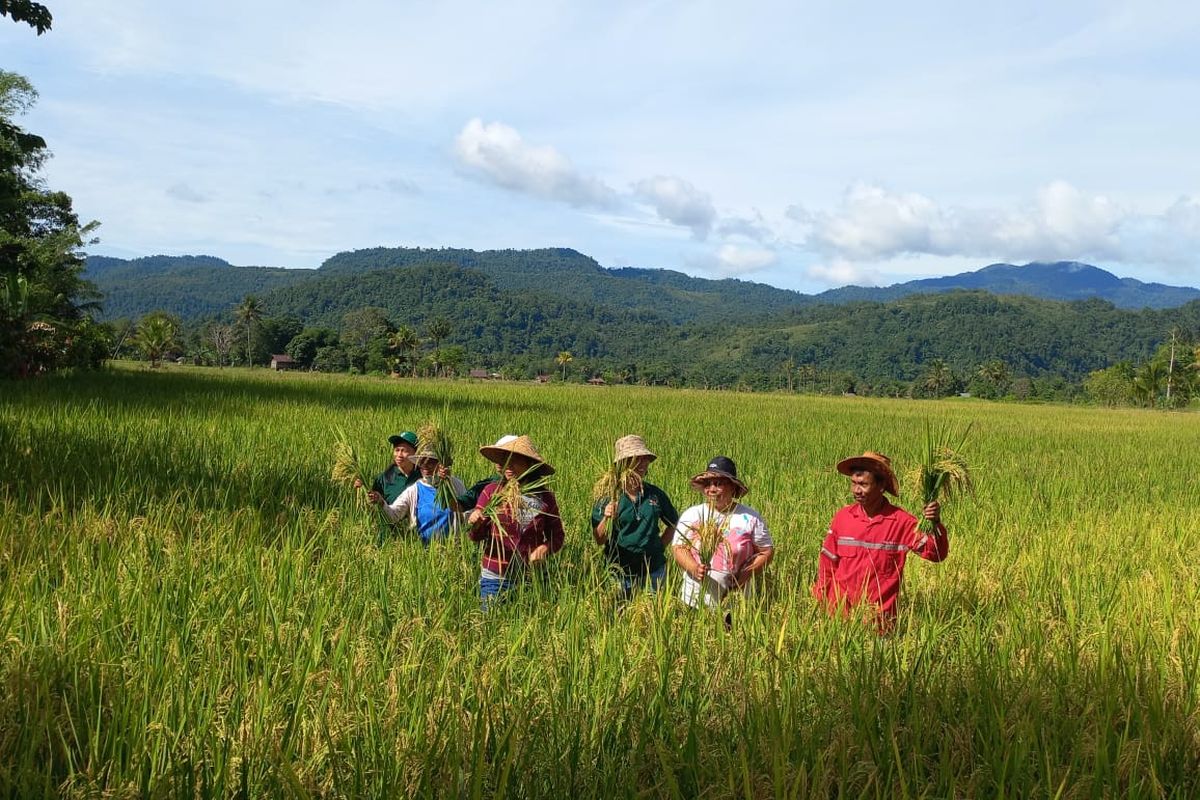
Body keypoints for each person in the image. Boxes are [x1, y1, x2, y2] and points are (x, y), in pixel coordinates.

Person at [811, 451, 948, 630]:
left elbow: (936, 554)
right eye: (853, 483)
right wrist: (820, 600)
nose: (856, 490)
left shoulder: (902, 522)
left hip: (879, 624)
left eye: (863, 484)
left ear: (881, 485)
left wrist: (935, 523)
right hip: (839, 619)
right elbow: (827, 563)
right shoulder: (843, 518)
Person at [467, 435, 564, 609]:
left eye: (514, 461)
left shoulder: (544, 498)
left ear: (529, 465)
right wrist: (476, 522)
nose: (508, 467)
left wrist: (544, 548)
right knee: (491, 626)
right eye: (505, 461)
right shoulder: (493, 492)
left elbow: (557, 537)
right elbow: (475, 536)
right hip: (495, 577)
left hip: (530, 577)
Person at [672, 456, 774, 609]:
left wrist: (747, 573)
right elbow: (678, 548)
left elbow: (766, 551)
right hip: (694, 600)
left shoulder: (749, 517)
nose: (712, 489)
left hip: (735, 600)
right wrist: (694, 567)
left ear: (733, 487)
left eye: (718, 484)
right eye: (708, 484)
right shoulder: (692, 514)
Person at [591, 435, 679, 599]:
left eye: (644, 459)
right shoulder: (607, 496)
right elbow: (599, 539)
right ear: (622, 464)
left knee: (655, 616)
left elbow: (674, 523)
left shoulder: (655, 494)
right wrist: (606, 517)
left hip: (654, 569)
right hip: (620, 571)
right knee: (619, 614)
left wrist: (659, 546)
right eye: (635, 459)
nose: (642, 464)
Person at [368, 448, 467, 544]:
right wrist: (381, 502)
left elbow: (468, 511)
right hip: (423, 550)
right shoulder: (414, 490)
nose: (425, 466)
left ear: (440, 464)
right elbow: (394, 515)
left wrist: (448, 480)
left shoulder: (454, 485)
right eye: (422, 462)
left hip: (452, 548)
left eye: (430, 462)